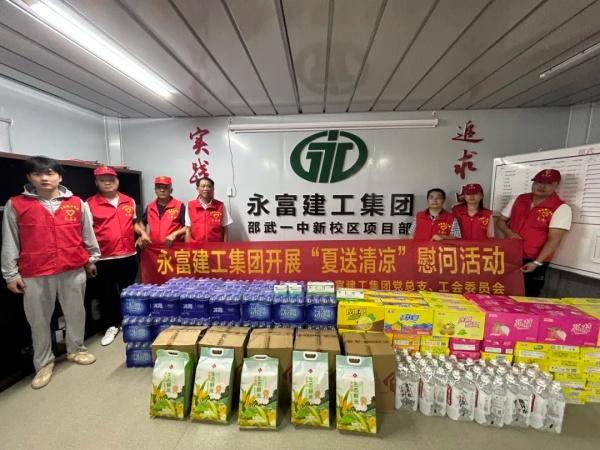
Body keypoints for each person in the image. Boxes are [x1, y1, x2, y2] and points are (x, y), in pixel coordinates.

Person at [1, 156, 99, 389]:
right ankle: (43, 363)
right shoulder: (16, 204)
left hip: (72, 268)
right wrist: (10, 274)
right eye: (38, 174)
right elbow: (10, 241)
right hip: (35, 272)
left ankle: (76, 349)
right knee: (38, 320)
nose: (45, 178)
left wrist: (91, 258)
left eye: (50, 173)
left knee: (76, 312)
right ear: (29, 177)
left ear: (60, 177)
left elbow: (87, 233)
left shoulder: (76, 203)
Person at [496, 169, 572, 297]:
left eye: (548, 183)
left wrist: (537, 262)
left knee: (528, 295)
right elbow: (500, 221)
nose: (541, 186)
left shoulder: (560, 208)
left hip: (533, 260)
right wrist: (509, 233)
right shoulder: (519, 199)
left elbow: (554, 239)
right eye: (538, 182)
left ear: (556, 185)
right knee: (502, 291)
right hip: (509, 255)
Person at [87, 166, 138, 346]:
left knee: (129, 291)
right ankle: (111, 325)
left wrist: (143, 234)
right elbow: (86, 232)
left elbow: (133, 223)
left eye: (111, 179)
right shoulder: (89, 204)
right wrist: (89, 259)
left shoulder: (129, 201)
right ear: (96, 183)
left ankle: (128, 320)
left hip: (128, 254)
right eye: (103, 180)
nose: (107, 183)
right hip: (104, 257)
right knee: (107, 294)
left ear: (117, 181)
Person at [134, 176, 186, 249]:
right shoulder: (150, 207)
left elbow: (187, 227)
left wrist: (175, 234)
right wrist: (142, 235)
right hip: (154, 249)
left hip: (173, 248)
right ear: (155, 190)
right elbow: (142, 224)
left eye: (165, 187)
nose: (162, 190)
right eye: (158, 187)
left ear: (171, 190)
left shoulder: (179, 206)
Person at [185, 176, 233, 243]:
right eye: (203, 186)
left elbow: (225, 229)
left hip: (216, 247)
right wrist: (187, 247)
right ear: (197, 189)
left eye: (209, 186)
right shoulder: (190, 205)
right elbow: (188, 229)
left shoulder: (220, 206)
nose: (206, 188)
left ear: (213, 189)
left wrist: (225, 246)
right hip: (196, 247)